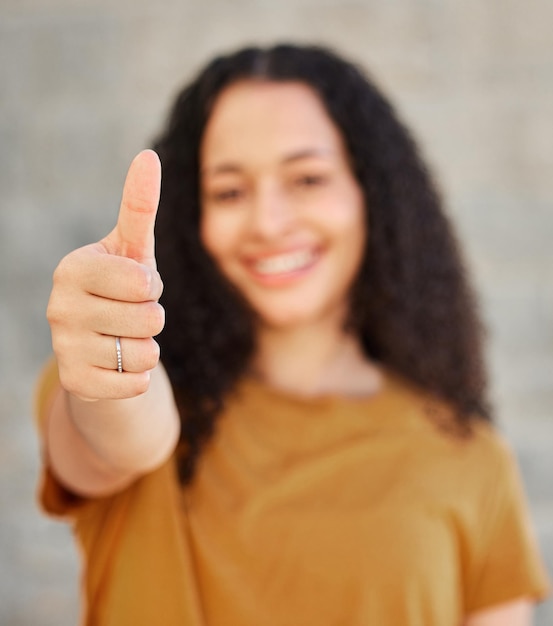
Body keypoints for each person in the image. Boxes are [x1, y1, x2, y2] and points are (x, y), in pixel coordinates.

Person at [36, 44, 549, 625]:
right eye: (230, 191)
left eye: (307, 178)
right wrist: (112, 357)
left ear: (370, 196)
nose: (269, 222)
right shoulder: (122, 377)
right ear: (193, 219)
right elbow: (120, 438)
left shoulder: (469, 458)